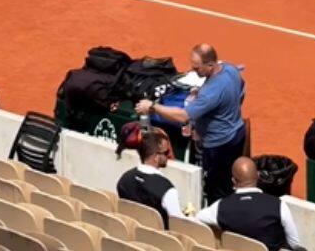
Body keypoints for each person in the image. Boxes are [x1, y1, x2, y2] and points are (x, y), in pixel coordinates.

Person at [136, 43, 246, 204]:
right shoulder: (230, 69)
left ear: (210, 65)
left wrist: (153, 107)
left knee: (217, 189)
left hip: (218, 146)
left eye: (197, 68)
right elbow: (242, 89)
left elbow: (183, 116)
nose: (194, 71)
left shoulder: (211, 92)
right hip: (236, 132)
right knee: (230, 180)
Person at [195, 157, 304, 251]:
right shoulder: (279, 206)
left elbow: (197, 218)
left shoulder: (219, 207)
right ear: (257, 175)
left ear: (233, 181)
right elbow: (295, 244)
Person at [117, 131, 182, 229]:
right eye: (166, 152)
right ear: (156, 157)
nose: (169, 156)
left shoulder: (124, 179)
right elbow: (178, 224)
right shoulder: (167, 190)